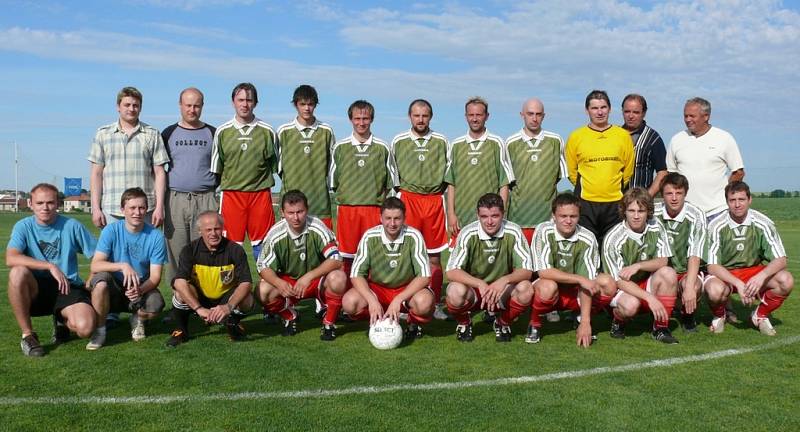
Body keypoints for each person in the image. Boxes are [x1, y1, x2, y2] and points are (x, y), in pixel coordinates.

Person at [6, 183, 97, 357]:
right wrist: (49, 266)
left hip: (67, 285)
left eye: (50, 202)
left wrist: (91, 278)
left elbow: (98, 255)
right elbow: (11, 258)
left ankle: (62, 320)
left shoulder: (72, 225)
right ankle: (28, 336)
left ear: (58, 204)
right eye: (39, 203)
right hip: (36, 288)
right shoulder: (23, 226)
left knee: (86, 328)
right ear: (31, 204)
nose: (45, 208)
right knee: (17, 272)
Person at [704, 181, 793, 336]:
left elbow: (781, 259)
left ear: (750, 200)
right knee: (714, 290)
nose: (737, 204)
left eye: (741, 199)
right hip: (725, 273)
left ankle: (759, 315)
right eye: (732, 200)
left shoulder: (763, 223)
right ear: (727, 202)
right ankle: (720, 314)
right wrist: (738, 283)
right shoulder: (715, 226)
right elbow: (712, 266)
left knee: (786, 280)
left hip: (753, 270)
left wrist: (760, 277)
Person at [256, 190, 347, 340]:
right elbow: (262, 266)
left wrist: (308, 277)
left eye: (300, 211)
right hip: (289, 283)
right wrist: (279, 283)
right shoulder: (275, 234)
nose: (296, 217)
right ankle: (290, 316)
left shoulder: (317, 226)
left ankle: (329, 323)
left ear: (307, 210)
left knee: (338, 277)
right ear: (282, 212)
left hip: (316, 281)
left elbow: (336, 259)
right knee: (262, 290)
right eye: (290, 213)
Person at [528, 193, 616, 347]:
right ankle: (534, 323)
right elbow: (544, 272)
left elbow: (587, 282)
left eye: (573, 216)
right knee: (548, 285)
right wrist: (580, 279)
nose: (568, 221)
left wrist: (586, 322)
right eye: (563, 216)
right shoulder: (543, 230)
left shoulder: (587, 237)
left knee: (608, 283)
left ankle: (580, 318)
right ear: (553, 216)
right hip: (550, 289)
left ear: (579, 216)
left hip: (574, 292)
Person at [445, 193, 533, 342]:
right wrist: (479, 283)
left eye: (495, 216)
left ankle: (502, 323)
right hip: (475, 291)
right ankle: (464, 323)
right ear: (477, 215)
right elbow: (452, 271)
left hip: (501, 292)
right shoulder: (468, 232)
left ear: (503, 214)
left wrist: (504, 280)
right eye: (484, 216)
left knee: (526, 289)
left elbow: (526, 270)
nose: (490, 222)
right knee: (454, 291)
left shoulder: (514, 231)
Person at [87, 187, 167, 350]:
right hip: (114, 284)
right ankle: (100, 331)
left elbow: (155, 277)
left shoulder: (156, 236)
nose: (137, 212)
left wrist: (140, 290)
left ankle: (137, 319)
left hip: (139, 284)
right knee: (100, 282)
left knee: (156, 305)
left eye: (141, 208)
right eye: (132, 208)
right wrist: (122, 266)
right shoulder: (111, 230)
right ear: (123, 210)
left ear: (147, 209)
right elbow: (95, 264)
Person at [342, 197, 433, 339]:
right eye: (388, 218)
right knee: (349, 303)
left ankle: (412, 323)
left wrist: (398, 299)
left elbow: (424, 276)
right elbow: (356, 274)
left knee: (425, 303)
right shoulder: (370, 236)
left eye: (397, 218)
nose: (392, 223)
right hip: (378, 289)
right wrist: (371, 301)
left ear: (404, 218)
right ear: (380, 218)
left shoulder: (414, 236)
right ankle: (379, 318)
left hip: (405, 289)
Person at [391, 99, 448, 319]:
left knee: (434, 257)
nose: (420, 119)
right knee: (408, 255)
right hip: (409, 200)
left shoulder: (441, 141)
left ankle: (435, 303)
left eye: (424, 115)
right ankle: (406, 302)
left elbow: (448, 174)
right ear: (409, 117)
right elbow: (394, 175)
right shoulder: (399, 140)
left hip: (433, 201)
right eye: (416, 115)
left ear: (430, 117)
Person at [600, 187, 679, 344]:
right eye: (631, 210)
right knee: (630, 305)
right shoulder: (613, 238)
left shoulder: (656, 226)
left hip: (645, 281)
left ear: (648, 211)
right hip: (623, 288)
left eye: (641, 211)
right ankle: (618, 321)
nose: (636, 216)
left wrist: (638, 266)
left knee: (668, 273)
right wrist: (650, 298)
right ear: (624, 211)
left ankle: (661, 328)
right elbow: (618, 281)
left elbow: (663, 260)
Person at [210, 82, 278, 260]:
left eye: (249, 100)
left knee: (264, 246)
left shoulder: (267, 131)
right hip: (232, 195)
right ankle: (233, 287)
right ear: (233, 101)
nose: (244, 104)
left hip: (260, 194)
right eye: (240, 100)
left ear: (255, 103)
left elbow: (276, 165)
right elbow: (217, 168)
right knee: (230, 247)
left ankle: (267, 286)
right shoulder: (222, 131)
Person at [166, 211, 255, 347]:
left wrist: (228, 307)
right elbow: (179, 282)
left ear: (222, 229)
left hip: (225, 298)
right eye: (208, 230)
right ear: (200, 231)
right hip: (200, 298)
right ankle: (180, 330)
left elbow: (246, 283)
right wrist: (199, 308)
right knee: (179, 292)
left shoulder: (235, 250)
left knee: (248, 298)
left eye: (216, 229)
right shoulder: (189, 250)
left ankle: (233, 323)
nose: (213, 233)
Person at [89, 86, 169, 229]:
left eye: (135, 105)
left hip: (145, 209)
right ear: (118, 107)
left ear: (140, 108)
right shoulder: (103, 134)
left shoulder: (152, 134)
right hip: (112, 209)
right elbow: (96, 173)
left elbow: (159, 173)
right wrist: (95, 208)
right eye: (127, 105)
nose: (131, 109)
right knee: (112, 251)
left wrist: (159, 207)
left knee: (145, 251)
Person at [329, 100, 397, 268]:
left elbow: (391, 181)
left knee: (374, 254)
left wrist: (375, 196)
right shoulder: (340, 147)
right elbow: (334, 181)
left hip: (373, 210)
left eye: (365, 118)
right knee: (347, 256)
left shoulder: (382, 147)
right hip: (348, 209)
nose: (361, 122)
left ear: (371, 119)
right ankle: (346, 293)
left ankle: (374, 292)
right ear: (350, 119)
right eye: (357, 118)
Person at [161, 87, 218, 285]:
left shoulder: (213, 133)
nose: (192, 110)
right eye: (188, 105)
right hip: (176, 199)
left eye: (196, 106)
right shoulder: (168, 133)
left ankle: (204, 299)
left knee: (204, 250)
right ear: (180, 105)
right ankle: (179, 302)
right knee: (177, 251)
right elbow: (160, 169)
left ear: (202, 107)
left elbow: (220, 168)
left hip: (205, 198)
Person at [565, 90, 634, 247]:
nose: (600, 112)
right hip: (586, 203)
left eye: (603, 107)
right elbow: (572, 172)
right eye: (595, 108)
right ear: (587, 110)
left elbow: (628, 170)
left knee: (613, 247)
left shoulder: (622, 136)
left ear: (609, 109)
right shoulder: (576, 136)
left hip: (615, 202)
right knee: (587, 247)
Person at [445, 97, 514, 238]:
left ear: (487, 116)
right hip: (461, 217)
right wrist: (451, 214)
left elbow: (504, 183)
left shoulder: (497, 143)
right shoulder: (456, 145)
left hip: (489, 218)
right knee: (459, 258)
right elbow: (451, 183)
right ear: (466, 117)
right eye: (471, 115)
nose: (475, 119)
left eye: (479, 115)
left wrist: (501, 214)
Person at [666, 97, 745, 220]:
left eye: (692, 116)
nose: (688, 120)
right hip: (686, 213)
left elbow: (738, 172)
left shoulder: (724, 138)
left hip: (718, 211)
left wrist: (725, 194)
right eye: (685, 116)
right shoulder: (676, 140)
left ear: (706, 116)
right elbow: (670, 175)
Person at [505, 98, 566, 243]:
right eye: (530, 114)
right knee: (522, 265)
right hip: (518, 218)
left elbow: (557, 177)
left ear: (543, 116)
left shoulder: (556, 141)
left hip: (548, 219)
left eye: (538, 114)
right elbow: (506, 182)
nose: (534, 118)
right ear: (522, 115)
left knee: (545, 264)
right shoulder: (510, 143)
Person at [276, 85, 336, 229]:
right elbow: (278, 167)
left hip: (320, 202)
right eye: (302, 104)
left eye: (310, 104)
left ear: (315, 104)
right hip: (291, 204)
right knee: (290, 248)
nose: (307, 108)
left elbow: (333, 165)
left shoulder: (326, 131)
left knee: (323, 248)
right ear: (295, 104)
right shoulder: (284, 131)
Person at [654, 173, 706, 332]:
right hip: (660, 272)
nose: (674, 198)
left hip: (685, 271)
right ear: (662, 194)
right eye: (669, 193)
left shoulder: (696, 214)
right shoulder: (652, 213)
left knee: (693, 285)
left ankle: (688, 317)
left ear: (685, 193)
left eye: (679, 193)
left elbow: (695, 254)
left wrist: (689, 287)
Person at [620, 94, 667, 197]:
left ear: (644, 113)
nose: (631, 116)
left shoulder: (653, 138)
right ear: (622, 111)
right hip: (615, 202)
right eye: (627, 111)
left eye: (636, 112)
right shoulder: (615, 135)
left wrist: (648, 196)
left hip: (641, 204)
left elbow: (662, 172)